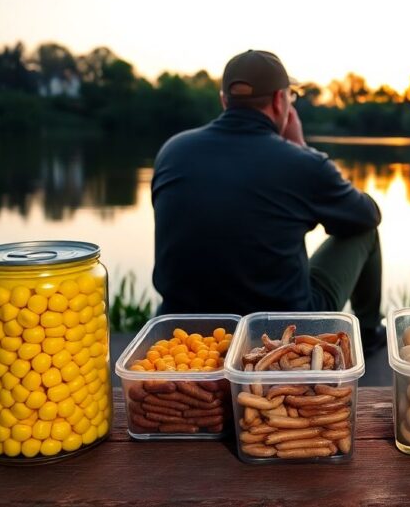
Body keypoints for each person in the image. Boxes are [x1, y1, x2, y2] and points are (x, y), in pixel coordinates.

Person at [152, 50, 384, 349]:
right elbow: (367, 215)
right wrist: (303, 149)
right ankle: (369, 335)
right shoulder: (300, 164)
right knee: (365, 231)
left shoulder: (172, 151)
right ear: (279, 101)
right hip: (281, 333)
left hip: (186, 330)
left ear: (225, 101)